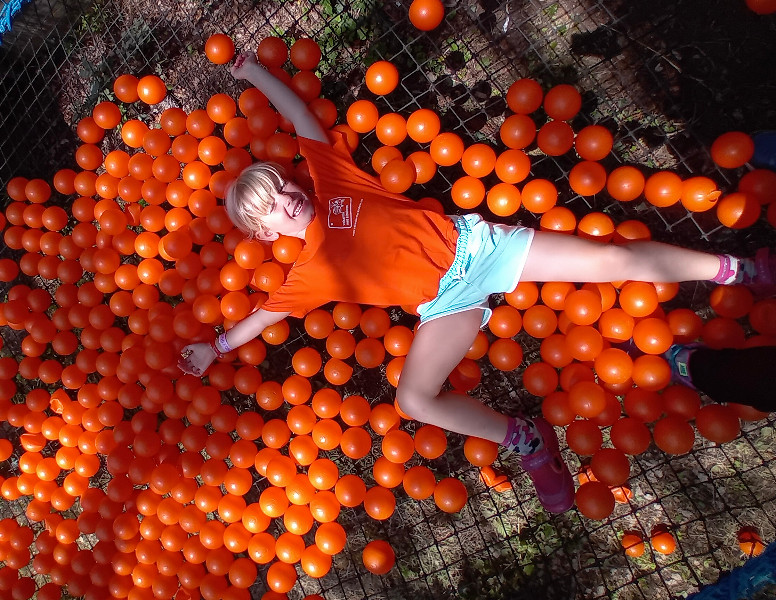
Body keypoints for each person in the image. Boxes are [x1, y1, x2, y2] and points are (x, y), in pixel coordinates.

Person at [179, 51, 776, 514]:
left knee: (612, 260)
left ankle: (738, 270)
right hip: (444, 301)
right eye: (272, 209)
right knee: (412, 399)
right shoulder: (305, 275)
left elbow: (300, 114)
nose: (286, 200)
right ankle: (528, 439)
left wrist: (252, 70)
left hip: (478, 248)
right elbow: (262, 315)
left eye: (281, 187)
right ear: (264, 234)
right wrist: (217, 348)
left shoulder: (332, 183)